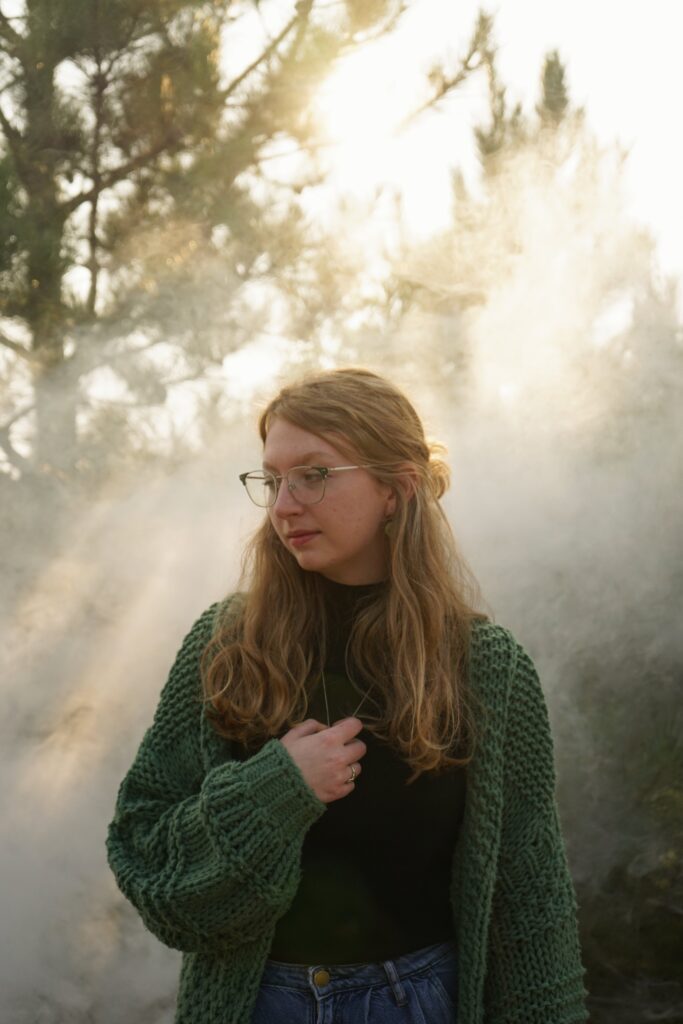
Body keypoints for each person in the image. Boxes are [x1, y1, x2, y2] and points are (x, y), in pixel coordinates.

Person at [106, 367, 589, 1024]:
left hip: (423, 1003)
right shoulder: (226, 647)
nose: (283, 504)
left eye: (314, 474)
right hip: (257, 1004)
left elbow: (527, 900)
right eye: (272, 480)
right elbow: (146, 858)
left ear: (397, 488)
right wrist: (274, 792)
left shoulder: (484, 667)